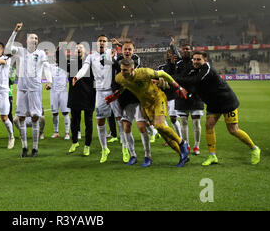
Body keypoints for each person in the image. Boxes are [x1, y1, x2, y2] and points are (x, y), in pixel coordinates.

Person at [175, 51, 261, 165]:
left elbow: (195, 81)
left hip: (227, 102)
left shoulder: (208, 70)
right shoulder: (195, 69)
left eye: (198, 59)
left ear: (205, 60)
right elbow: (190, 83)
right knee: (209, 126)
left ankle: (254, 149)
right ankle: (212, 156)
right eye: (194, 59)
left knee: (233, 130)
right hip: (213, 104)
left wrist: (173, 78)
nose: (195, 62)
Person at [110, 58, 190, 167]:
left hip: (158, 99)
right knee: (163, 133)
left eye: (125, 70)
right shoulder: (119, 78)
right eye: (121, 70)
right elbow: (126, 85)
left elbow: (162, 73)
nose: (122, 73)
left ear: (132, 69)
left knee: (160, 125)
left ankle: (182, 143)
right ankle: (183, 156)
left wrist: (177, 86)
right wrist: (117, 93)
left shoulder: (144, 72)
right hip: (147, 105)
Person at [72, 35, 124, 163]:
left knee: (119, 120)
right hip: (100, 93)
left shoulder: (111, 53)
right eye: (100, 41)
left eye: (104, 41)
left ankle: (125, 148)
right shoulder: (91, 56)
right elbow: (84, 69)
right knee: (100, 122)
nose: (102, 42)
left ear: (107, 44)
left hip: (112, 92)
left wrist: (113, 58)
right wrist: (77, 76)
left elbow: (118, 67)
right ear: (97, 43)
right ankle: (104, 149)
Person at [5, 23, 52, 158]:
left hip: (35, 88)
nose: (34, 40)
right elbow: (8, 49)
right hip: (22, 89)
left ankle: (35, 148)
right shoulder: (21, 51)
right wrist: (15, 31)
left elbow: (47, 66)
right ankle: (25, 147)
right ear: (27, 41)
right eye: (32, 38)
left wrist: (49, 81)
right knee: (20, 117)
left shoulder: (41, 53)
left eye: (36, 38)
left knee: (35, 117)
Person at [111, 39, 153, 167]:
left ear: (133, 51)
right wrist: (116, 92)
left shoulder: (136, 61)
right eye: (125, 49)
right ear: (121, 50)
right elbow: (114, 81)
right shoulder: (117, 62)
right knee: (126, 128)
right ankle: (133, 155)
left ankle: (147, 156)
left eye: (130, 49)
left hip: (137, 99)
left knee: (141, 127)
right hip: (124, 101)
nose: (127, 51)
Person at [169, 40, 204, 155]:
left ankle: (196, 146)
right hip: (181, 96)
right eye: (183, 49)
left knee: (196, 122)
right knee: (183, 122)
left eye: (187, 49)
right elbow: (173, 77)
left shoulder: (196, 62)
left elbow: (195, 79)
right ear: (181, 51)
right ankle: (187, 145)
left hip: (195, 96)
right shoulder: (177, 63)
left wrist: (180, 79)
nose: (185, 51)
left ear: (191, 50)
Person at [66, 43, 95, 156]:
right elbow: (59, 61)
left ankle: (87, 145)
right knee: (74, 121)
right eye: (76, 48)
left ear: (85, 50)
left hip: (88, 96)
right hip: (75, 96)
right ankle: (74, 142)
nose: (78, 49)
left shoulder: (90, 63)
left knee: (88, 121)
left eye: (80, 47)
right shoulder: (71, 62)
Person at [158, 49, 182, 138]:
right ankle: (170, 137)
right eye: (167, 53)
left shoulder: (178, 66)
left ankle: (179, 138)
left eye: (171, 53)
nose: (168, 55)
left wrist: (172, 64)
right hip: (163, 97)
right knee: (161, 119)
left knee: (173, 118)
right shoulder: (161, 67)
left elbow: (172, 78)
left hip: (174, 96)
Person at [50, 51, 71, 139]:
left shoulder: (66, 66)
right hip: (54, 91)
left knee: (65, 112)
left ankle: (67, 133)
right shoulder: (51, 66)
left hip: (63, 91)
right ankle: (56, 132)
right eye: (57, 57)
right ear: (55, 58)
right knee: (54, 113)